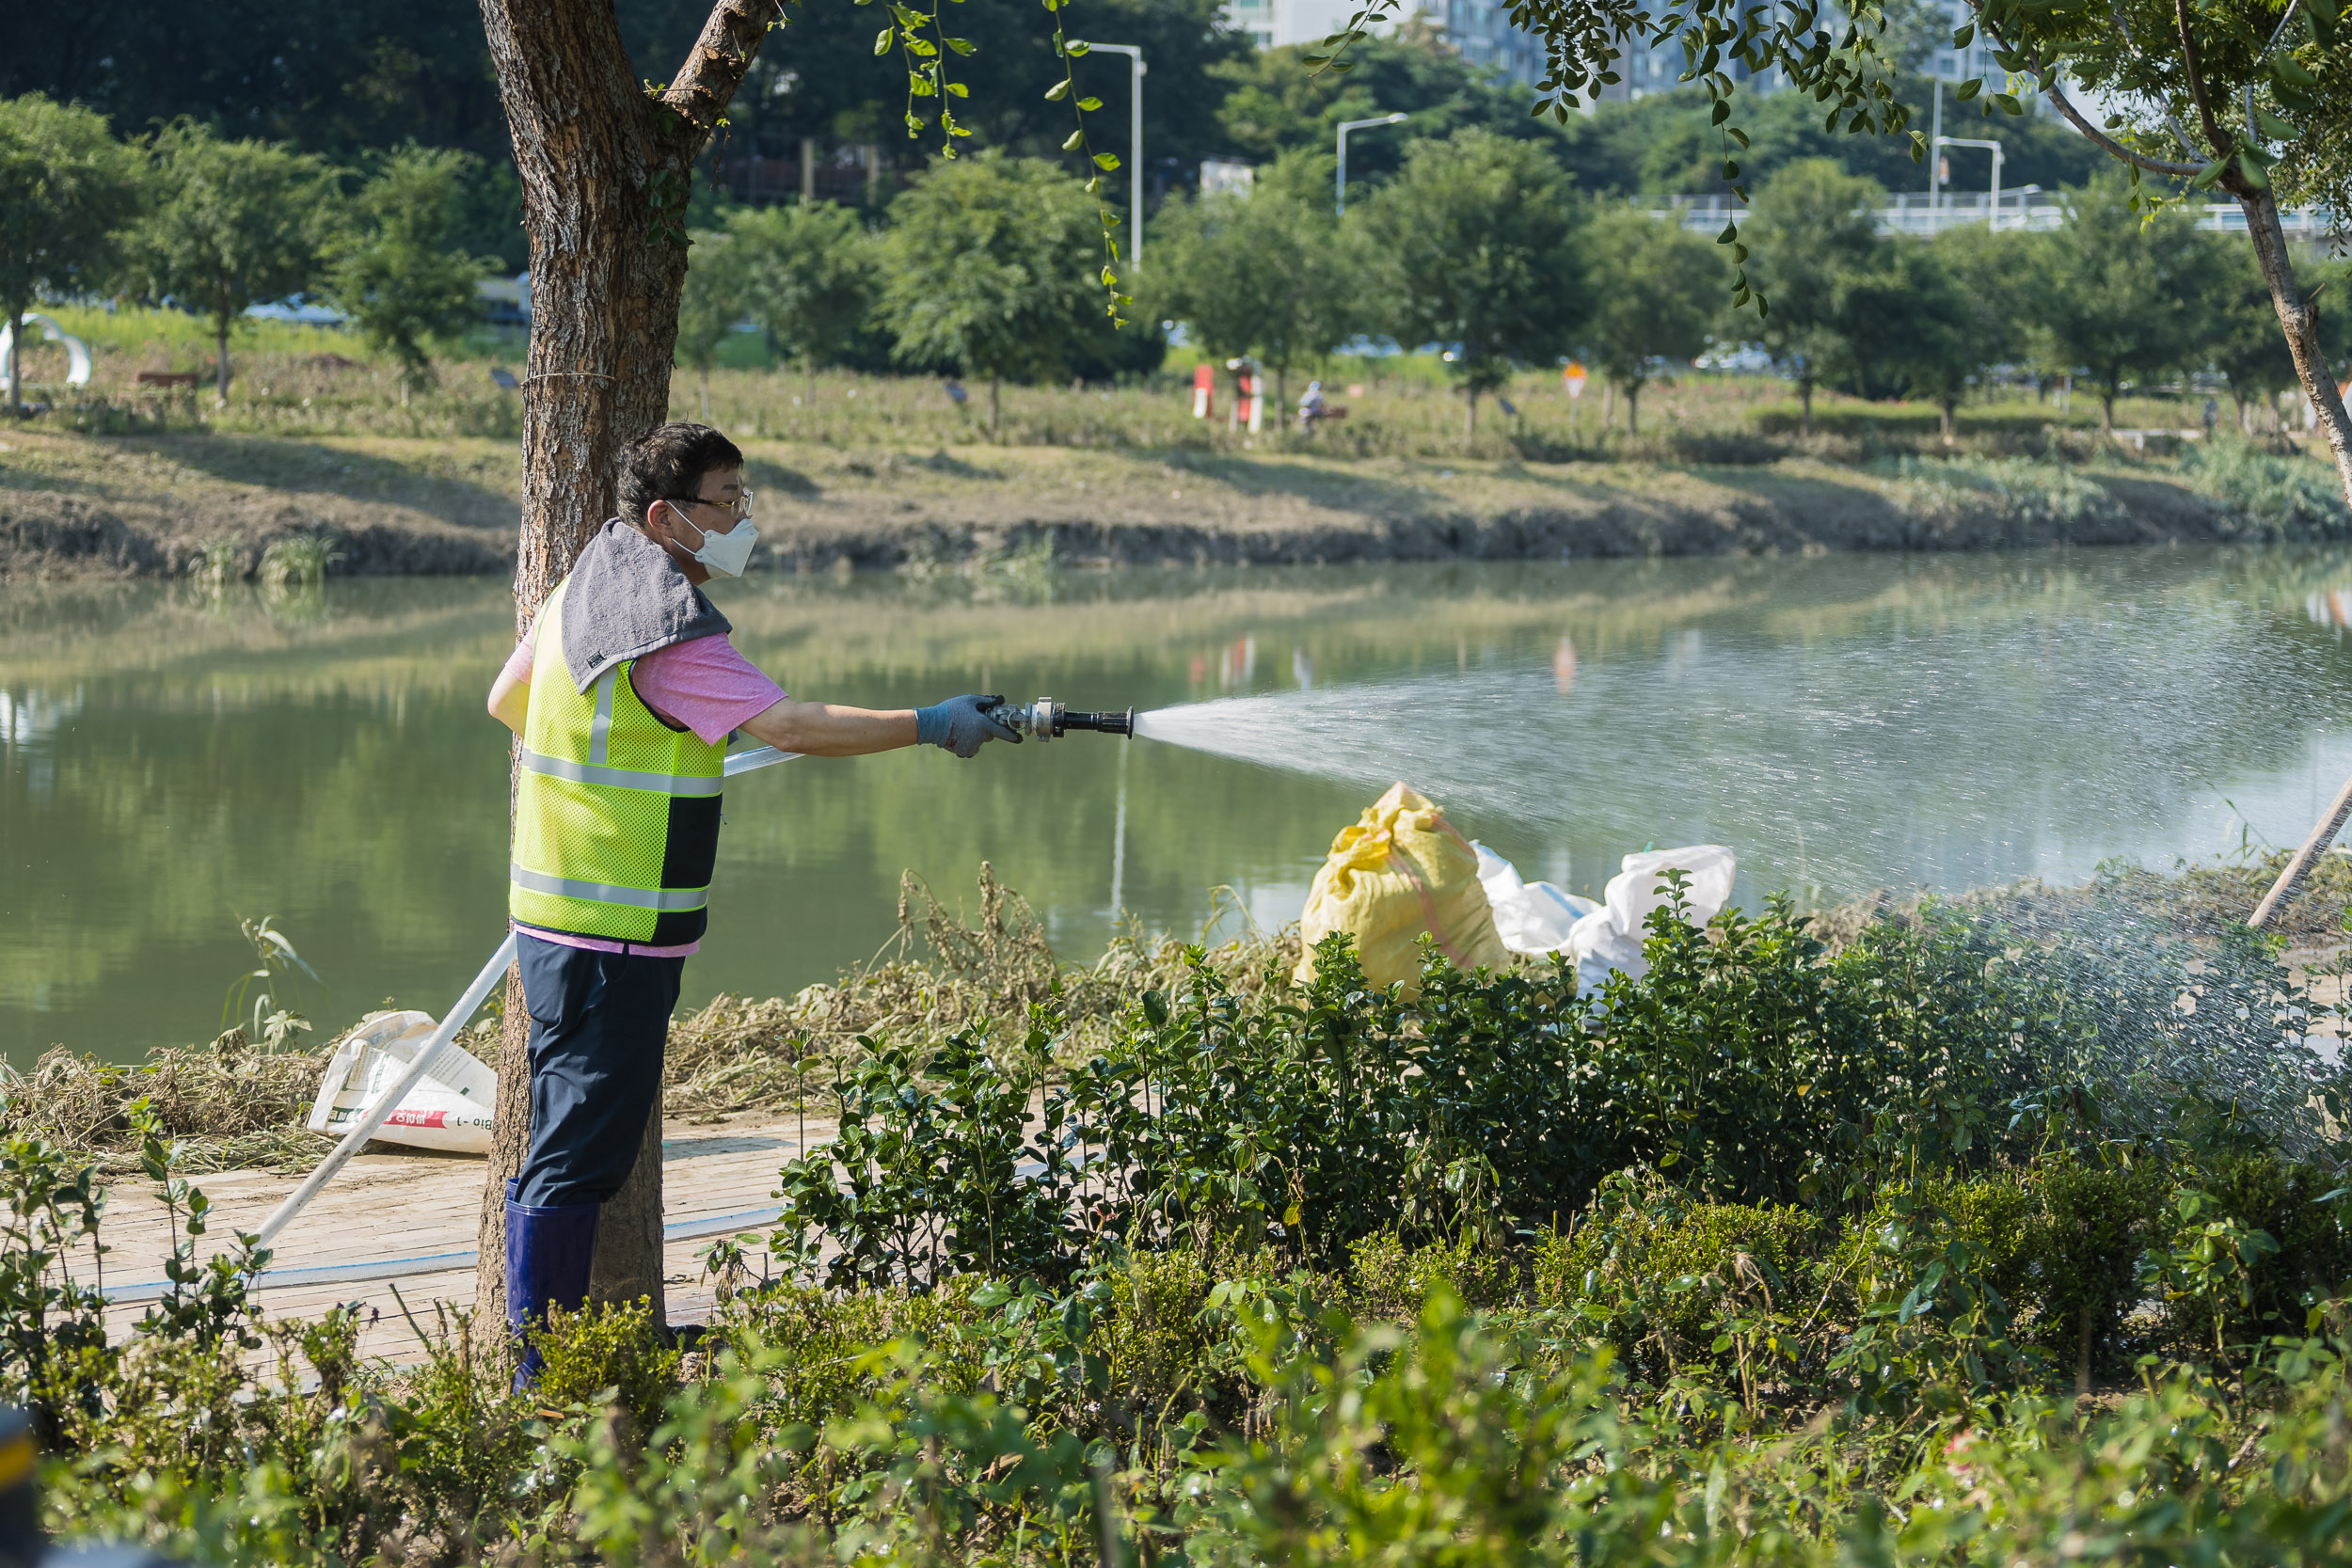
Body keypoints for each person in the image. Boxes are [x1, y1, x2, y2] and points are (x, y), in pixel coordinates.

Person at [485, 421, 1017, 1386]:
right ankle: (539, 1377)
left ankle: (563, 1353)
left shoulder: (584, 589)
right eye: (727, 502)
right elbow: (793, 724)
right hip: (614, 937)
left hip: (563, 925)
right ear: (666, 516)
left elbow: (507, 700)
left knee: (570, 1142)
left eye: (744, 498)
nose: (741, 519)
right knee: (577, 1158)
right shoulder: (659, 623)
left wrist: (655, 747)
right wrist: (933, 723)